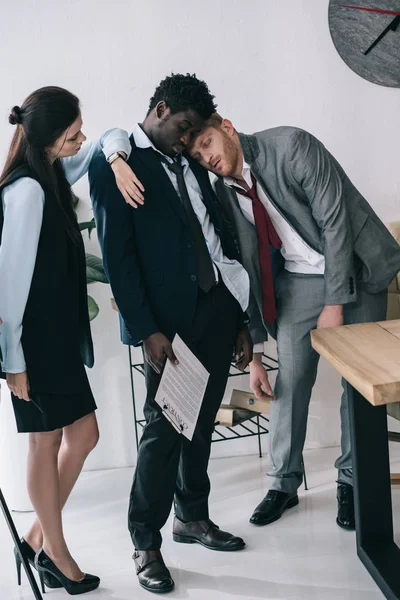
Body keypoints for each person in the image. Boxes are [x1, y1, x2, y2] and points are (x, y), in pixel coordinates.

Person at [189, 114, 400, 531]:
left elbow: (335, 222)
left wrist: (336, 303)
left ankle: (350, 480)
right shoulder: (224, 190)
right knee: (290, 383)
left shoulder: (292, 146)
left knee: (355, 384)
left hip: (356, 267)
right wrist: (255, 352)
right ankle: (283, 482)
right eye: (197, 154)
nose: (207, 157)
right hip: (298, 281)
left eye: (208, 143)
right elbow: (248, 262)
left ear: (227, 128)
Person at [89, 73, 253, 595]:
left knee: (201, 423)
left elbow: (216, 234)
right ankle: (145, 541)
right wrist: (146, 331)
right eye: (182, 127)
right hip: (166, 326)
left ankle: (192, 518)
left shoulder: (185, 160)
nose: (187, 140)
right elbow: (118, 257)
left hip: (214, 309)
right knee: (164, 433)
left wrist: (239, 317)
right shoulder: (118, 163)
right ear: (160, 109)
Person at [0, 86, 141, 595]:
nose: (79, 139)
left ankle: (36, 540)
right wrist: (14, 360)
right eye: (71, 134)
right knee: (47, 442)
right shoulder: (27, 191)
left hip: (53, 339)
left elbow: (106, 139)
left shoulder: (51, 173)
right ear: (47, 140)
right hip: (33, 344)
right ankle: (56, 554)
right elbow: (10, 285)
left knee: (82, 437)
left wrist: (117, 158)